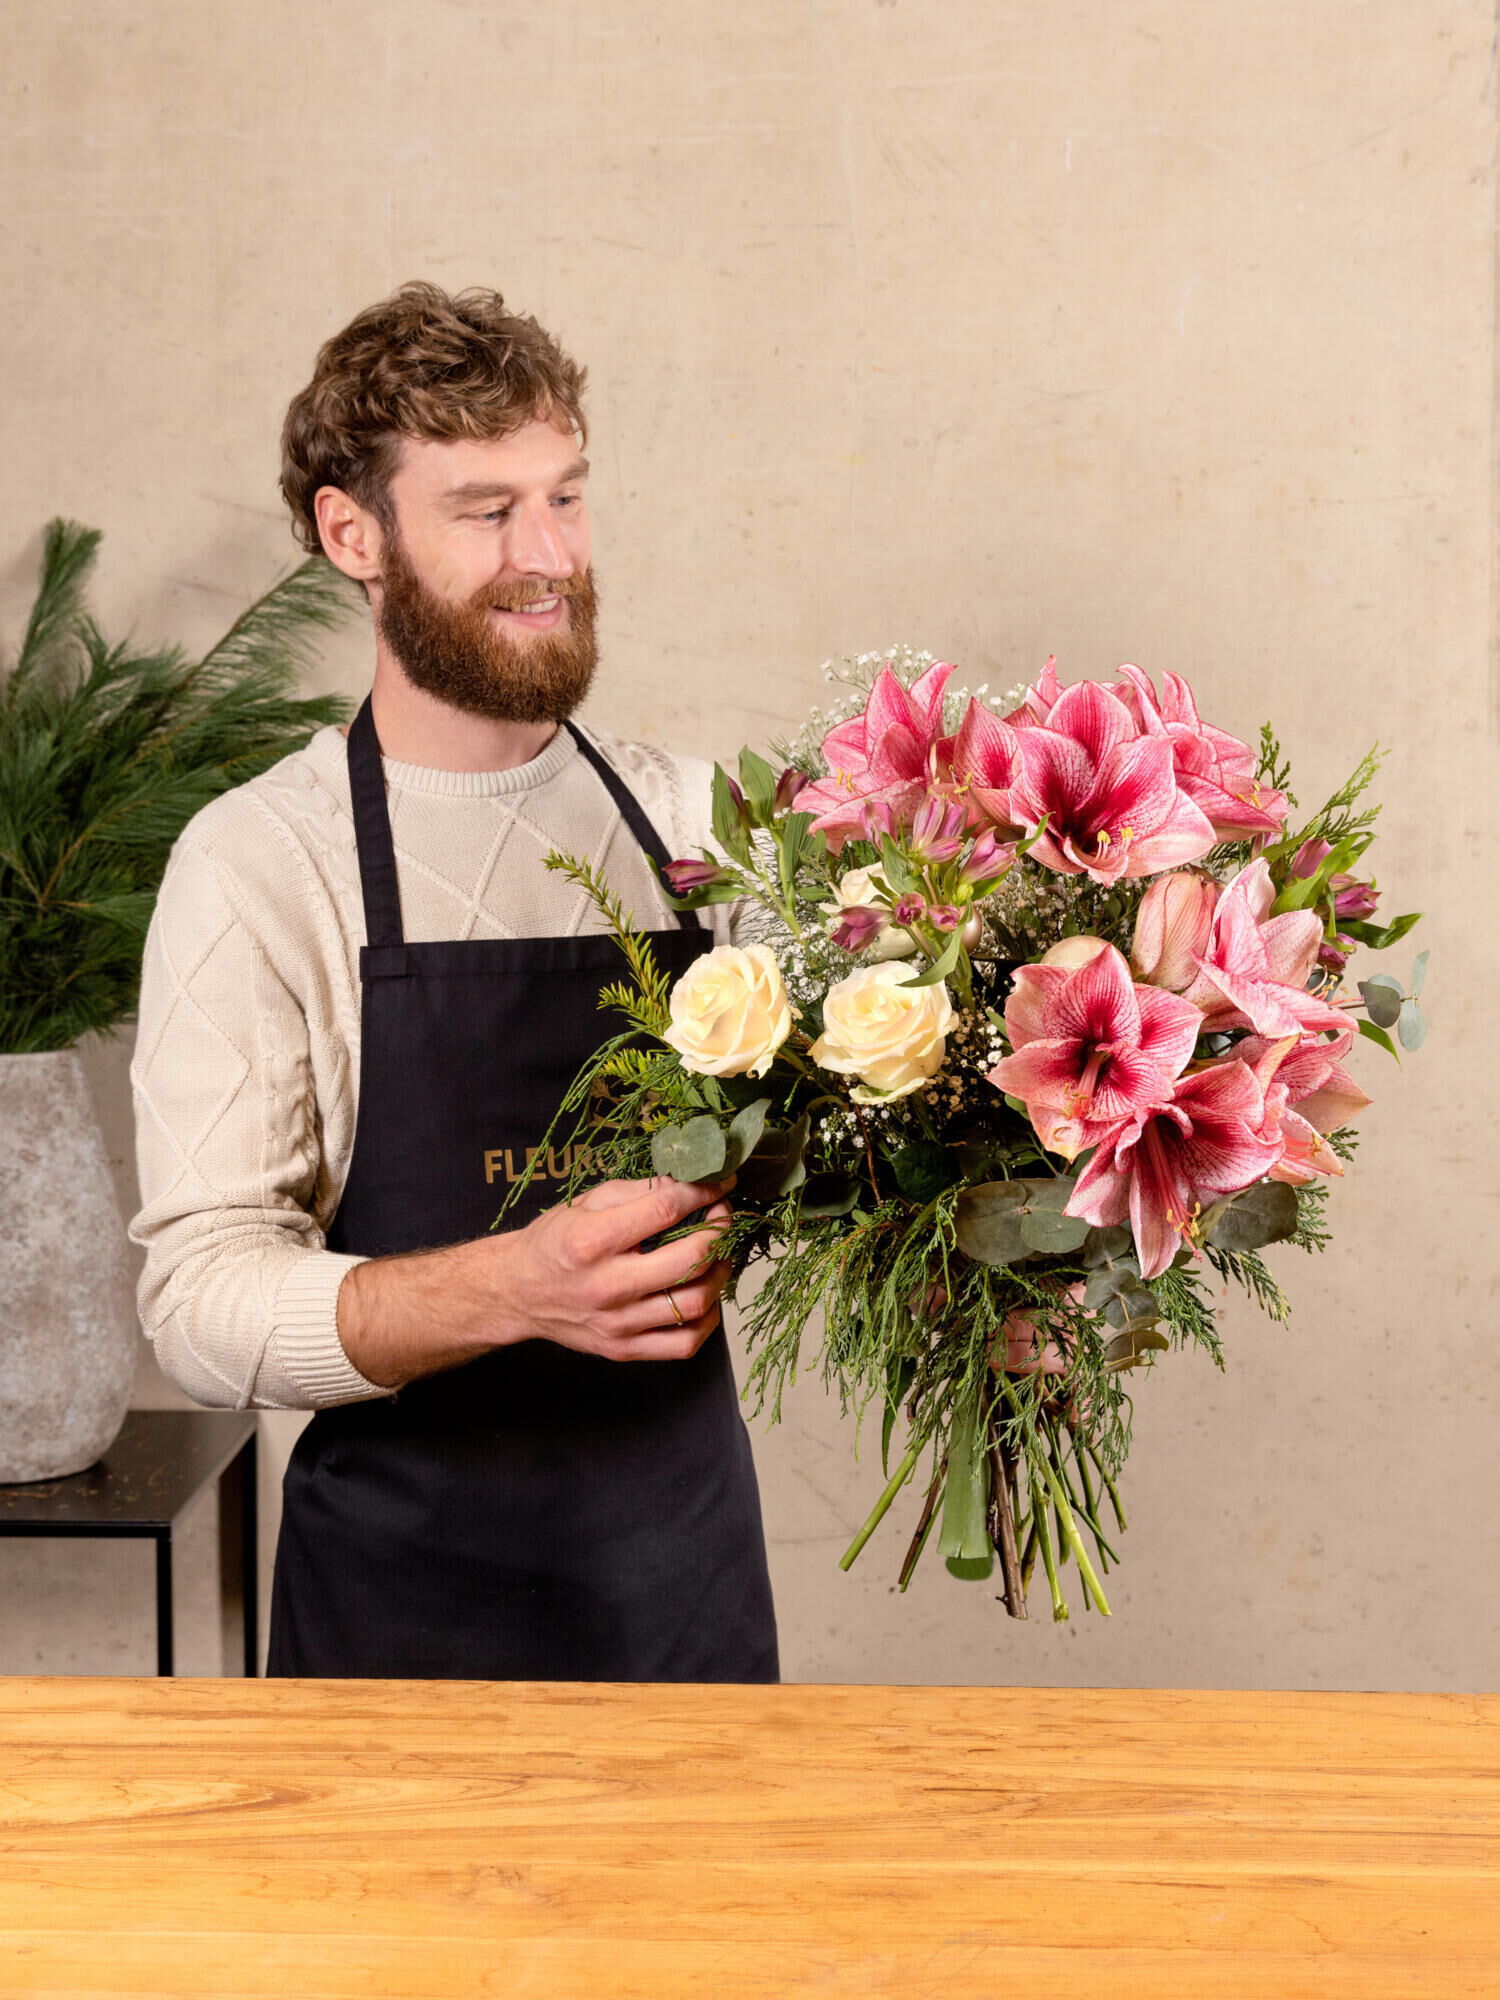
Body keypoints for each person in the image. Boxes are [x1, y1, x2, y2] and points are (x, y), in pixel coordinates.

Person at [130, 282, 778, 1682]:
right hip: (397, 1628)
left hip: (687, 1598)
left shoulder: (699, 822)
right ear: (351, 534)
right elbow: (197, 1304)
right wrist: (515, 1288)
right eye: (488, 512)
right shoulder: (257, 863)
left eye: (567, 497)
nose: (548, 556)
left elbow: (853, 1149)